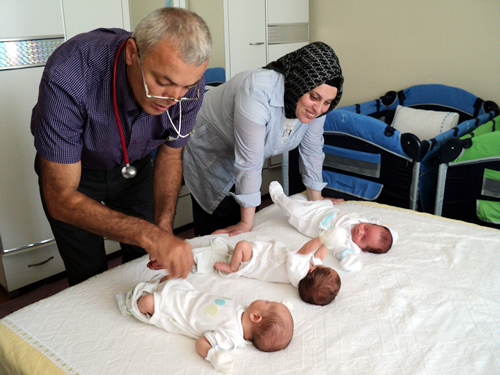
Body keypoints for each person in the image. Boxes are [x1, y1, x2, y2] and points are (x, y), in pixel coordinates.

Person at [30, 8, 212, 285]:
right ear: (131, 53)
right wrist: (147, 233)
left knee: (145, 261)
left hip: (135, 168)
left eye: (186, 86)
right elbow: (60, 197)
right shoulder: (70, 74)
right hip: (75, 174)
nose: (173, 99)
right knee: (88, 273)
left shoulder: (189, 92)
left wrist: (162, 228)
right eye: (163, 83)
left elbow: (170, 157)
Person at [182, 41, 345, 237]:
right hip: (211, 150)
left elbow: (312, 149)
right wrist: (245, 223)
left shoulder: (318, 104)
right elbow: (249, 162)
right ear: (301, 83)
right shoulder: (257, 91)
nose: (318, 109)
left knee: (249, 227)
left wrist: (316, 201)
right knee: (219, 226)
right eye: (314, 97)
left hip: (243, 154)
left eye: (327, 102)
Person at [116, 275, 294, 373]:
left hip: (177, 310)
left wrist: (214, 355)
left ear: (256, 317)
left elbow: (202, 343)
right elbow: (272, 321)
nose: (265, 299)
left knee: (146, 302)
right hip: (189, 295)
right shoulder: (247, 312)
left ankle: (129, 307)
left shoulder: (231, 335)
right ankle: (161, 286)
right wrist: (282, 309)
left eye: (268, 302)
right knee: (169, 278)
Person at [268, 181, 398, 272]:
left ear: (364, 250)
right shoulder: (365, 222)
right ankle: (328, 201)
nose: (360, 232)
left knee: (294, 210)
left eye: (363, 239)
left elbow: (344, 251)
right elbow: (379, 224)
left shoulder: (348, 243)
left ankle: (279, 197)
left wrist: (348, 259)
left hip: (310, 220)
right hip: (325, 208)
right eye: (366, 228)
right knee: (321, 202)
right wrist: (391, 234)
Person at [209, 236, 341, 306]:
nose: (325, 265)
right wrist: (329, 242)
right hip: (262, 256)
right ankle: (234, 264)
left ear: (312, 272)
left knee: (242, 245)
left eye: (328, 268)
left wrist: (322, 237)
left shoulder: (298, 270)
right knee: (244, 246)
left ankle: (232, 267)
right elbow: (319, 256)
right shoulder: (310, 270)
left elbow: (306, 249)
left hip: (254, 262)